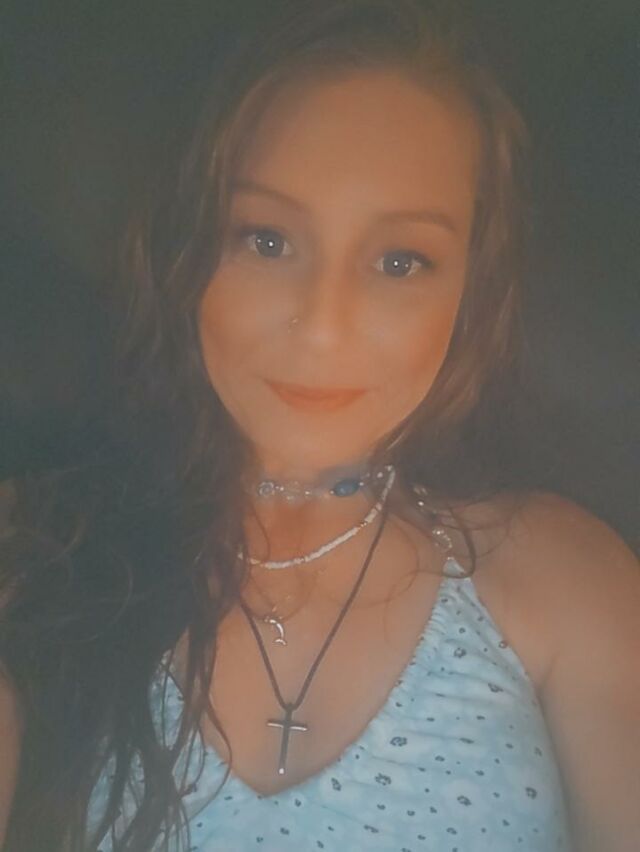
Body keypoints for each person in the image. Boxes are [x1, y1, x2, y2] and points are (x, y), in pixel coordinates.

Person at [1, 1, 638, 850]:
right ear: (185, 249)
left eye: (400, 260)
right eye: (266, 240)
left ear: (469, 292)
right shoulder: (37, 553)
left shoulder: (565, 579)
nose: (324, 327)